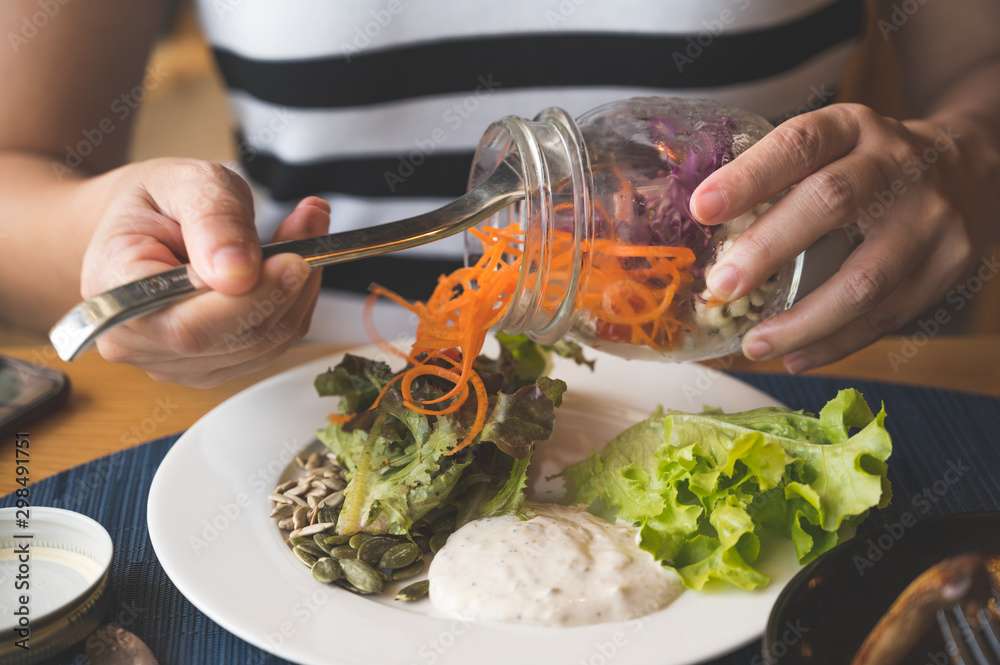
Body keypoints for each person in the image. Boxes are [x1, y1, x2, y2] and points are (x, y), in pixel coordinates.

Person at [0, 0, 997, 386]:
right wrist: (95, 237)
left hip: (768, 389)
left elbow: (980, 80)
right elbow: (17, 165)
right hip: (307, 402)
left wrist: (960, 155)